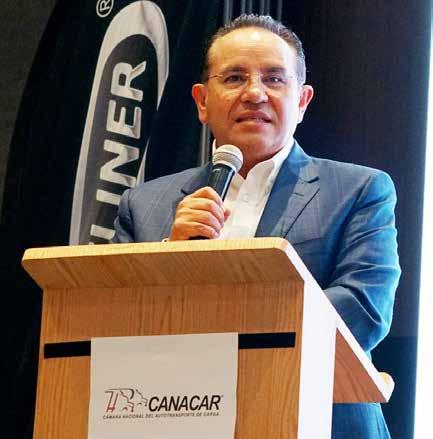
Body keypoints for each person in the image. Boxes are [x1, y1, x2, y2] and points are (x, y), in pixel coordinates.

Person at [113, 14, 400, 438]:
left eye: (274, 79)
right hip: (176, 420)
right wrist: (166, 257)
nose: (254, 93)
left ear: (302, 101)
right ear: (202, 101)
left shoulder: (359, 191)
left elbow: (364, 308)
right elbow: (112, 318)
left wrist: (230, 337)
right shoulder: (144, 205)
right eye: (234, 78)